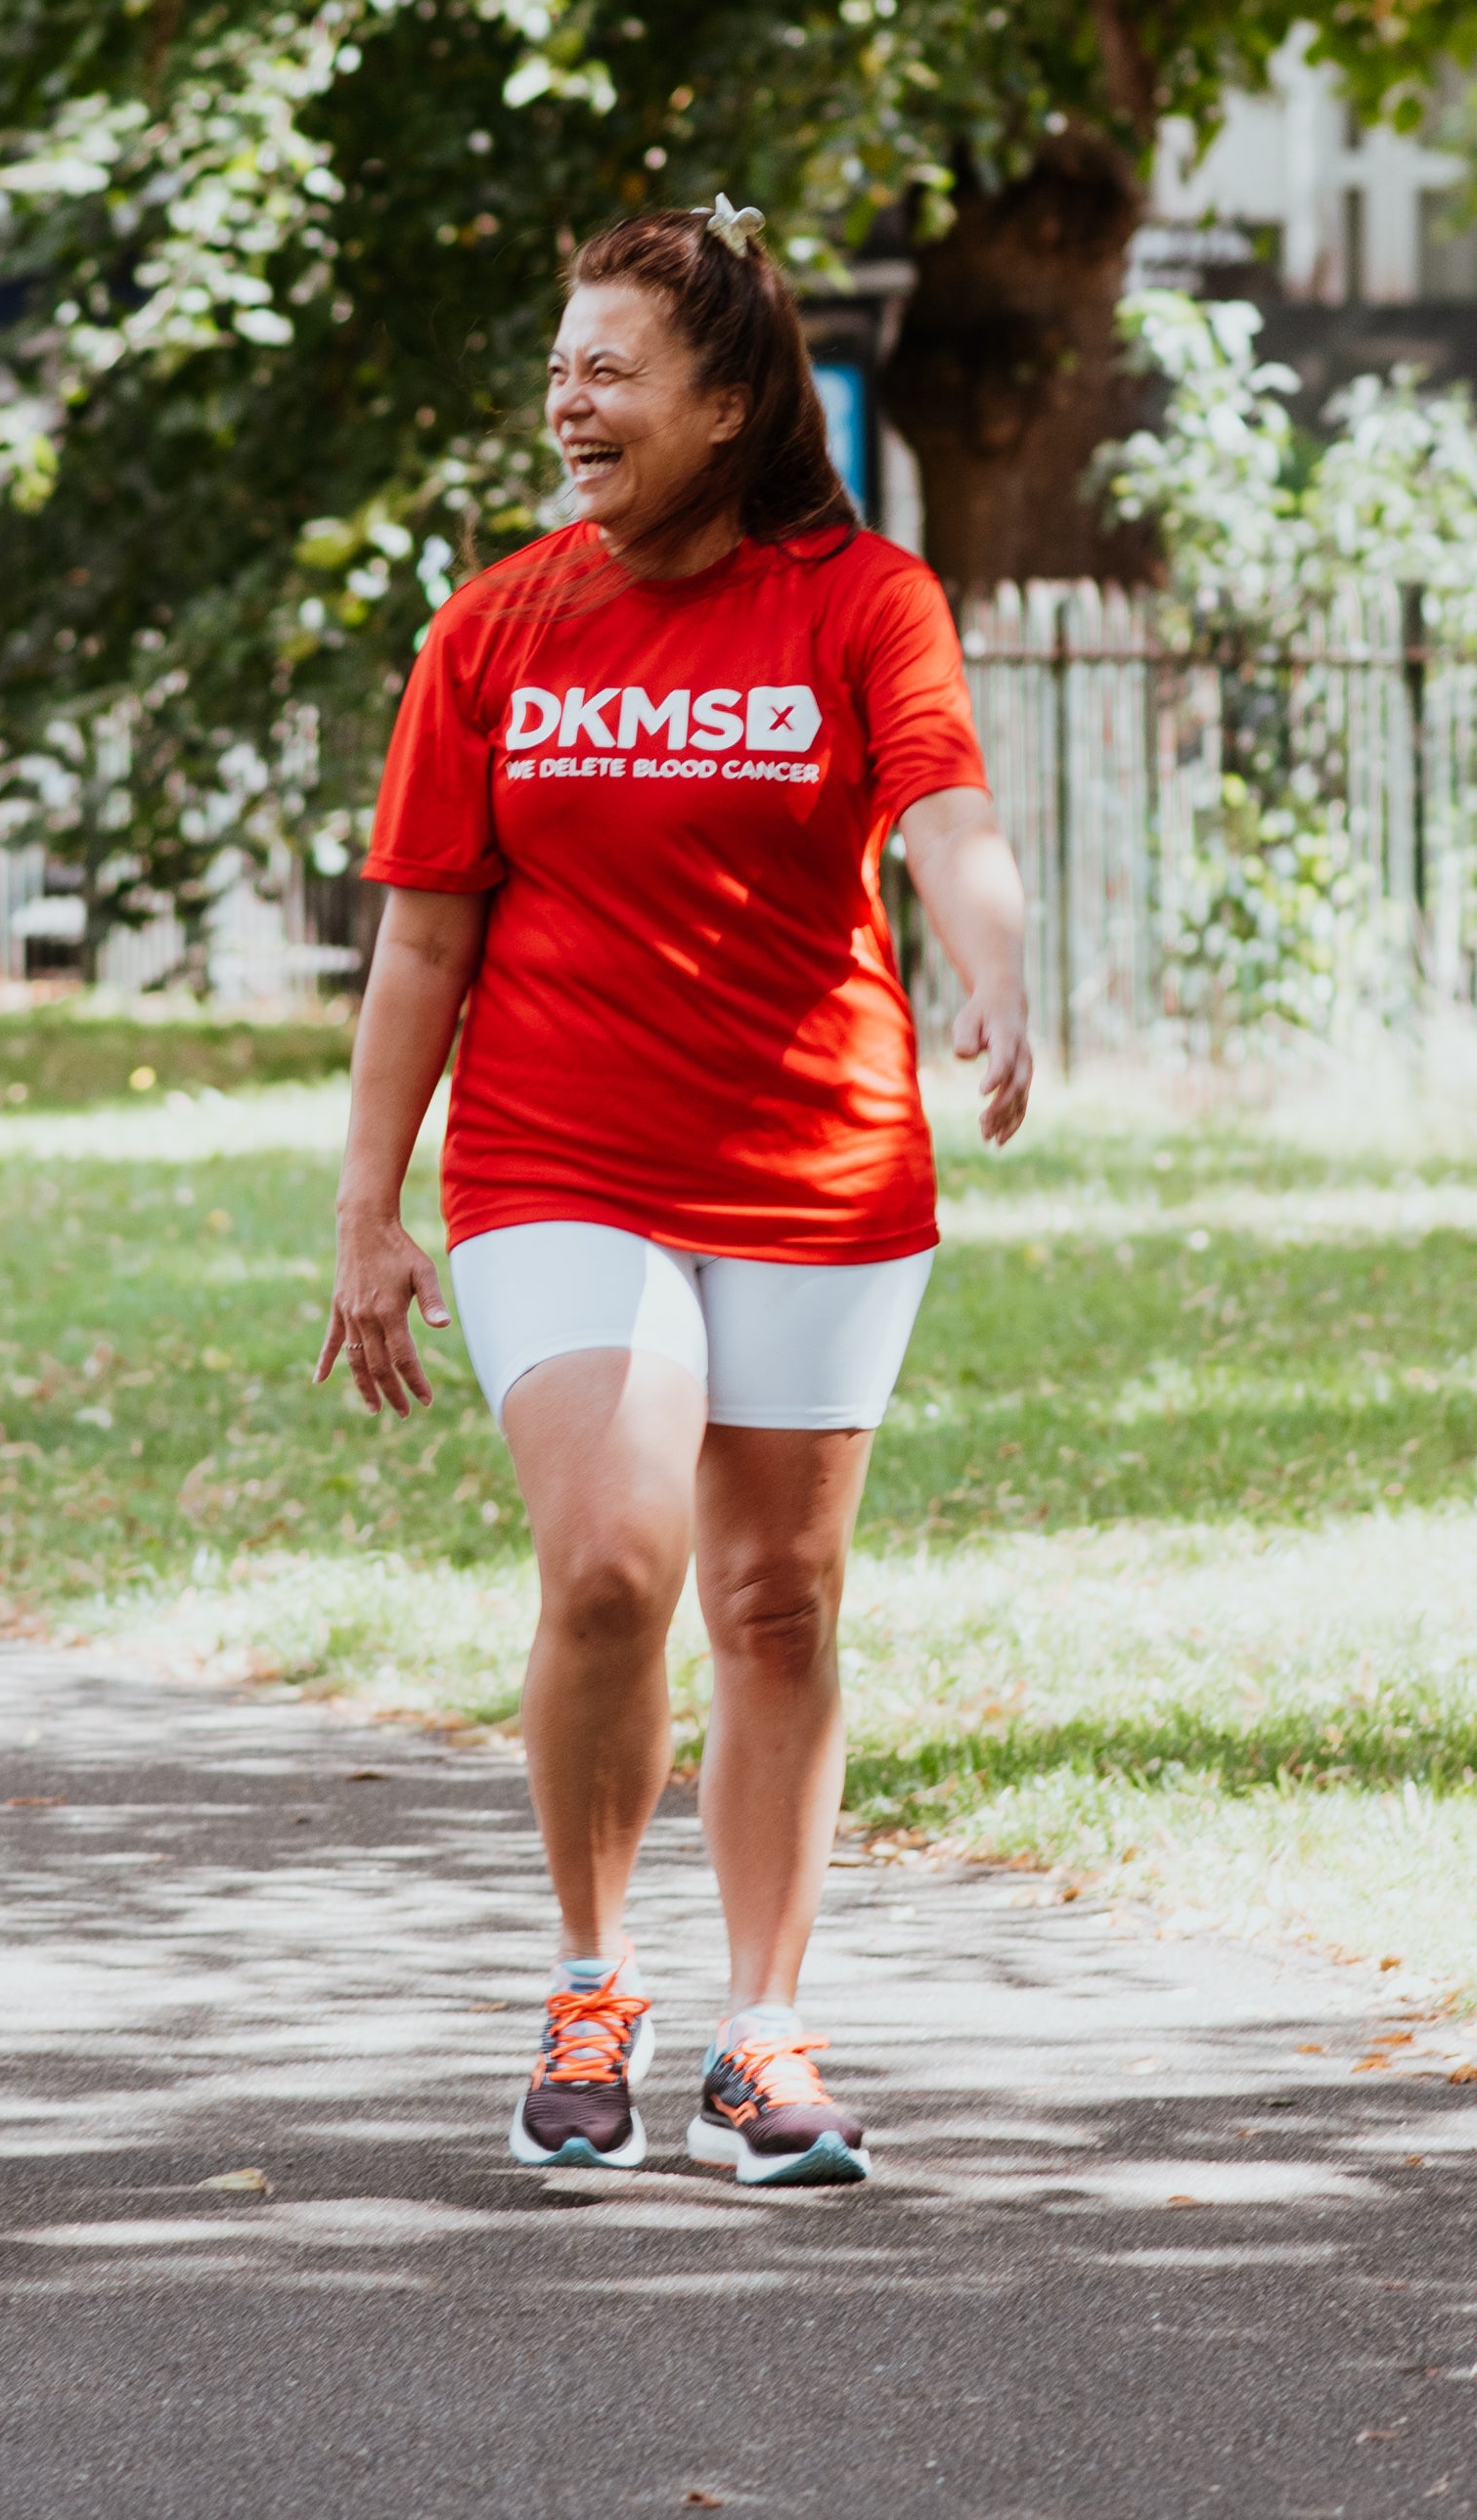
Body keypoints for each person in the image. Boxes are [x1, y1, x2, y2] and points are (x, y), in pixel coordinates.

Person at [319, 200, 1034, 2190]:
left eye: (607, 366)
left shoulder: (860, 602)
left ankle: (763, 2032)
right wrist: (370, 1210)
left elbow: (946, 808)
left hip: (810, 1161)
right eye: (558, 363)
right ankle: (587, 1979)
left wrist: (988, 967)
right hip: (560, 1159)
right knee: (616, 1565)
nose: (566, 397)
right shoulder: (496, 625)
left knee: (778, 1597)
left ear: (730, 403)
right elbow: (419, 950)